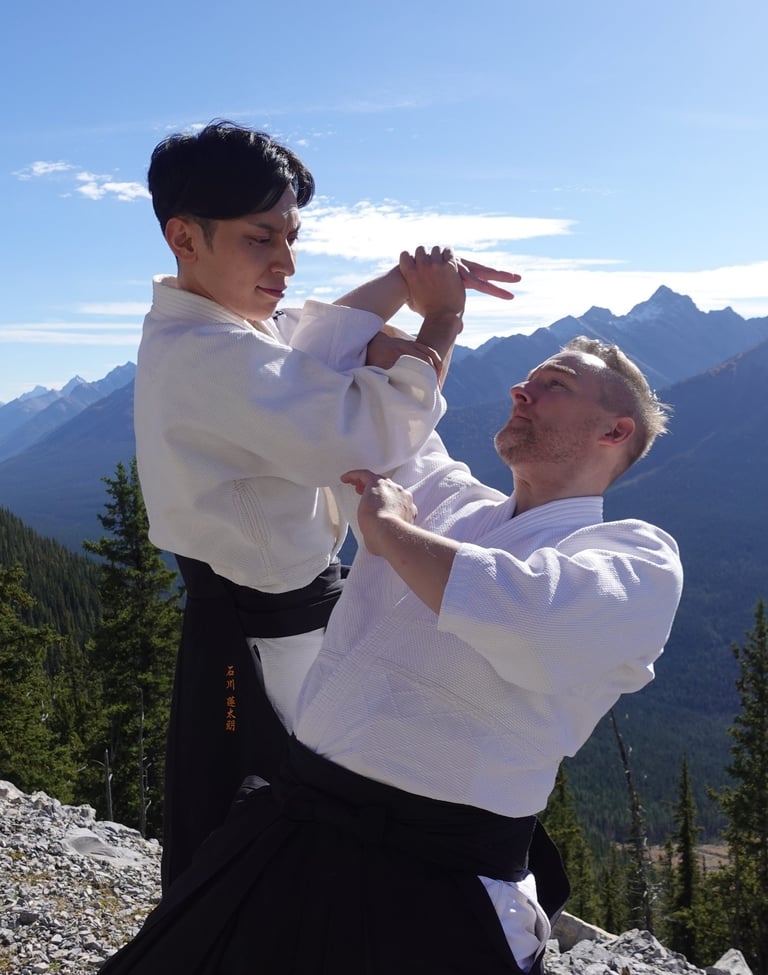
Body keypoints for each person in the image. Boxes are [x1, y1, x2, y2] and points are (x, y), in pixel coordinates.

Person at [99, 334, 684, 974]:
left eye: (556, 386)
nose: (522, 391)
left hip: (438, 879)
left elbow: (530, 618)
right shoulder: (444, 499)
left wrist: (389, 531)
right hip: (291, 828)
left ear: (615, 430)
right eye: (528, 380)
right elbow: (346, 376)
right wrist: (427, 317)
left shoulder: (637, 559)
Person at [136, 119, 520, 886]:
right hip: (268, 634)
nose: (285, 260)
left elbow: (304, 341)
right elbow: (370, 434)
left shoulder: (215, 329)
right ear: (185, 235)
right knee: (305, 822)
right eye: (260, 238)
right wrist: (439, 321)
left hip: (272, 616)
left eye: (292, 236)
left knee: (281, 827)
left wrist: (399, 290)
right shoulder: (212, 356)